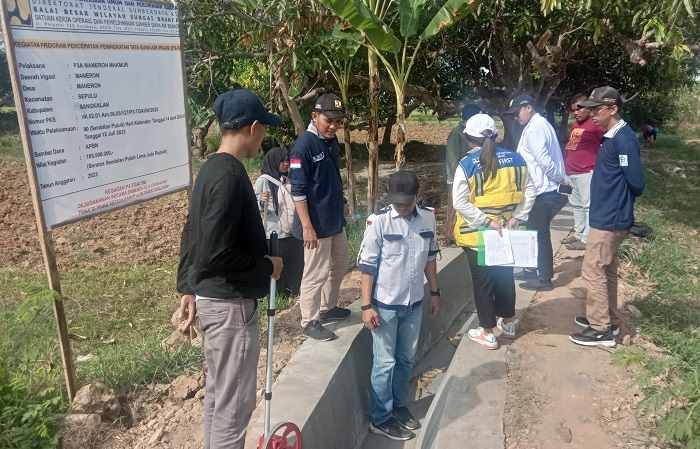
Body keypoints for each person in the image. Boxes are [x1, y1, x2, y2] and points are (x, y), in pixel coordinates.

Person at [176, 88, 284, 449]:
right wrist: (266, 265)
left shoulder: (210, 169)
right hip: (230, 306)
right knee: (234, 407)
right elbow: (215, 252)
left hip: (213, 298)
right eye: (263, 129)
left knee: (219, 400)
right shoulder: (229, 176)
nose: (263, 137)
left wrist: (188, 288)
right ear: (252, 128)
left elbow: (191, 233)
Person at [358, 170, 440, 441]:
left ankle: (398, 406)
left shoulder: (428, 217)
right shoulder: (379, 221)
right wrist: (366, 306)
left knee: (406, 359)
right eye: (397, 203)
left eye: (406, 202)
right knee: (384, 363)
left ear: (416, 197)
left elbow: (430, 258)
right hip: (385, 306)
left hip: (414, 302)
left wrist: (436, 292)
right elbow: (367, 267)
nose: (402, 208)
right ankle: (380, 418)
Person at [452, 114, 536, 349]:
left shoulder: (467, 164)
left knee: (483, 283)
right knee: (504, 276)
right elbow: (530, 190)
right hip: (507, 232)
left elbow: (459, 202)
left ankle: (487, 331)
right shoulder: (517, 159)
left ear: (469, 139)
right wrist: (518, 217)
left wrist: (486, 222)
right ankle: (508, 322)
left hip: (476, 235)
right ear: (495, 136)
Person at [570, 86, 645, 347]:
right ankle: (608, 320)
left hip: (610, 219)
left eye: (596, 110)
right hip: (605, 214)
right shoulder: (610, 137)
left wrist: (617, 205)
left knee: (592, 270)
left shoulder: (623, 140)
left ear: (612, 109)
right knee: (606, 270)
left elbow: (636, 182)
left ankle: (600, 329)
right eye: (589, 109)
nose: (592, 115)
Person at [290, 93, 351, 341]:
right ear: (314, 116)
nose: (334, 126)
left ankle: (327, 308)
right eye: (329, 120)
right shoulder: (303, 146)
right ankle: (309, 320)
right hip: (315, 225)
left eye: (339, 121)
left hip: (334, 220)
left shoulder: (330, 141)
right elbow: (298, 191)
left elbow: (332, 177)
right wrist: (307, 226)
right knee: (315, 273)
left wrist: (343, 202)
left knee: (339, 264)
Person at [507, 95, 568, 291]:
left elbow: (544, 161)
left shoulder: (535, 128)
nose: (516, 118)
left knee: (539, 234)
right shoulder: (538, 125)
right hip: (543, 189)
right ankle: (531, 270)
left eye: (517, 112)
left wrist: (559, 179)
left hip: (544, 190)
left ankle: (544, 279)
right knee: (533, 231)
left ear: (528, 107)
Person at [254, 147, 304, 295]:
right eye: (282, 160)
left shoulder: (289, 178)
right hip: (275, 233)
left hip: (292, 232)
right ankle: (277, 295)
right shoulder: (263, 181)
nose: (286, 163)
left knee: (295, 263)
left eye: (288, 160)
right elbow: (252, 203)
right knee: (278, 267)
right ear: (274, 161)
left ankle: (293, 291)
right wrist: (260, 201)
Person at [562, 94, 605, 251]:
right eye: (574, 110)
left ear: (588, 108)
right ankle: (578, 233)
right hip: (571, 171)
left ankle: (586, 239)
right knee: (576, 204)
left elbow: (606, 144)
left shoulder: (595, 125)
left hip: (587, 171)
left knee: (588, 206)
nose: (576, 112)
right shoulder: (575, 125)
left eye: (579, 109)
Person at [444, 103, 482, 242]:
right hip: (456, 177)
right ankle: (449, 235)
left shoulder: (467, 132)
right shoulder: (457, 133)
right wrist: (458, 176)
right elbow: (453, 159)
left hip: (467, 175)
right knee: (454, 206)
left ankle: (456, 233)